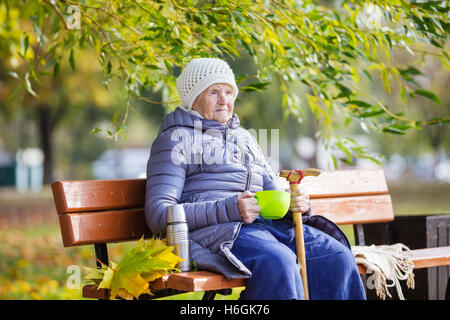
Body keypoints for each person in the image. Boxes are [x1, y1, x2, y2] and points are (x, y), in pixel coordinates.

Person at [144, 58, 366, 300]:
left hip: (264, 229)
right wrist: (230, 209)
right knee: (278, 262)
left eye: (229, 92)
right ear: (192, 99)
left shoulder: (244, 137)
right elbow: (158, 214)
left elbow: (272, 191)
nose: (224, 100)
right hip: (219, 234)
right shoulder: (175, 140)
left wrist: (295, 204)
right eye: (213, 92)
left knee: (335, 257)